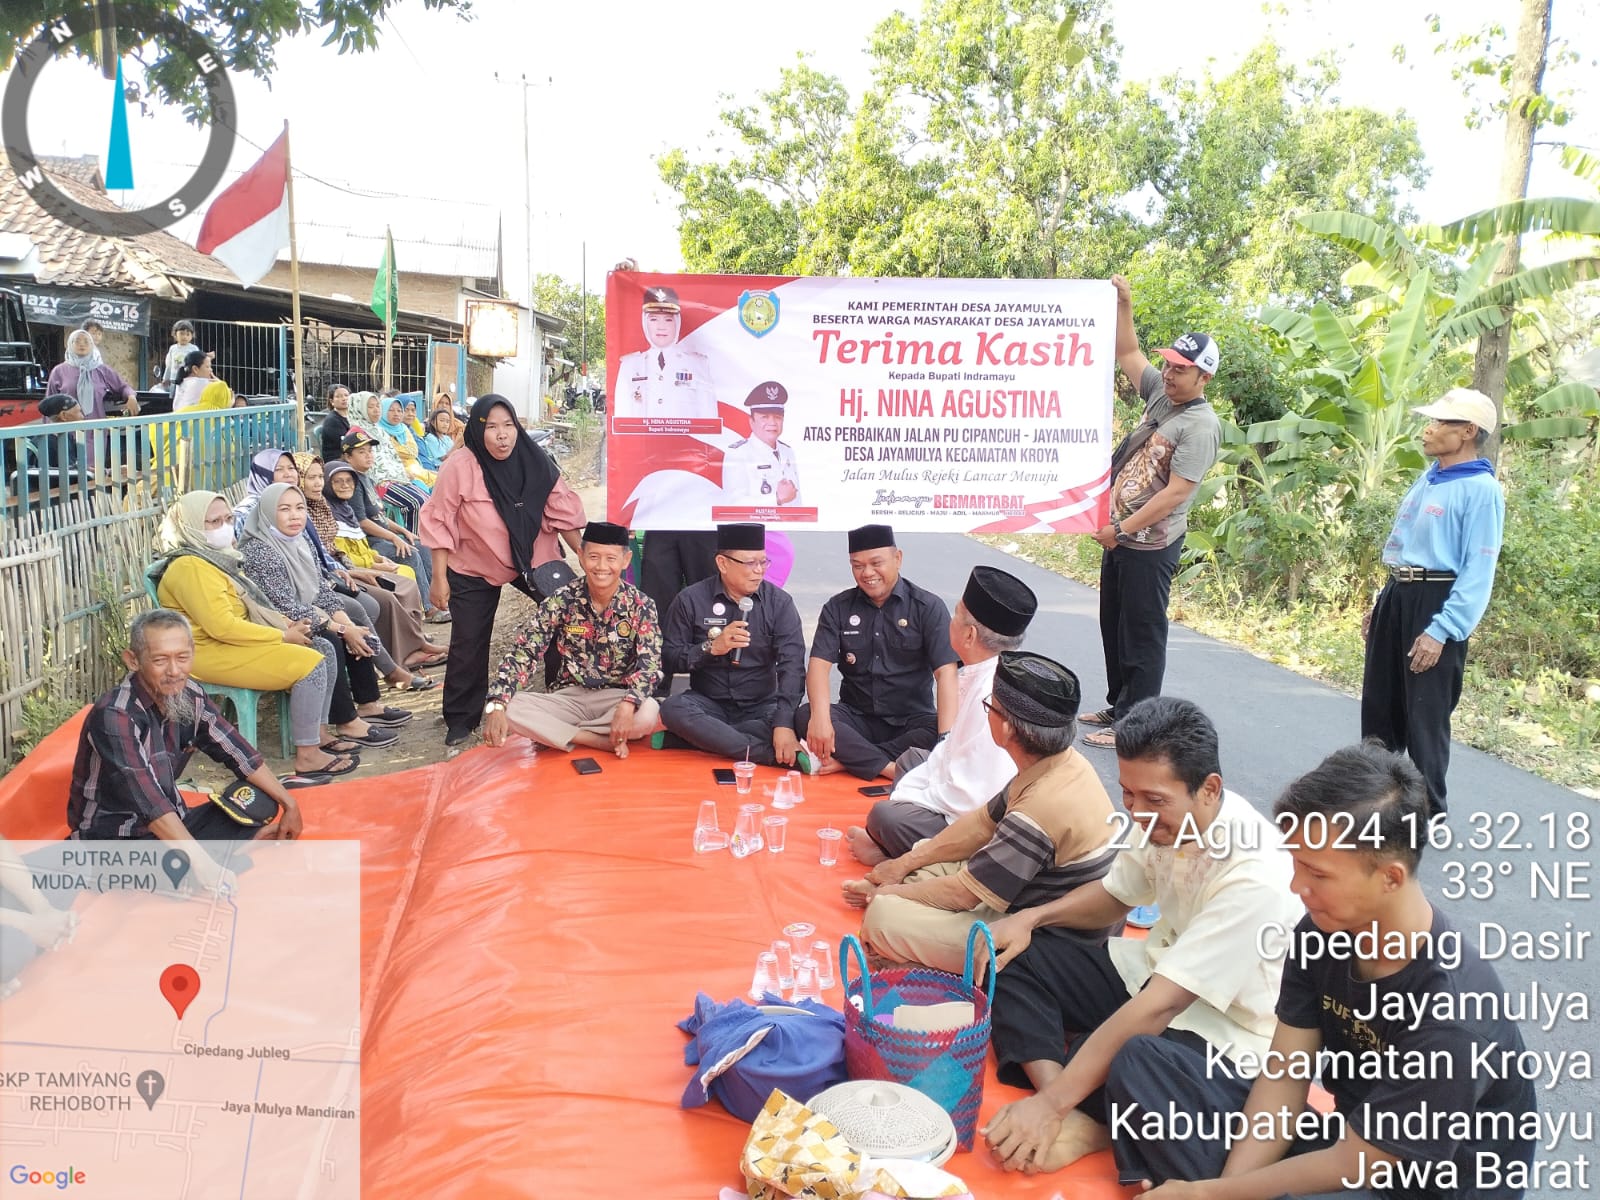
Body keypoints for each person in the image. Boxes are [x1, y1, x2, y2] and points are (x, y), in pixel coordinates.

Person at [1111, 742, 1538, 1199]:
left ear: (1390, 877)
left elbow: (1363, 1161)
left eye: (1317, 873)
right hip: (1347, 1141)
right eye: (1296, 864)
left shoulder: (1453, 1017)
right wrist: (1227, 1190)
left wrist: (1207, 1194)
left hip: (1415, 1186)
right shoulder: (1321, 934)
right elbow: (1285, 1077)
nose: (1297, 887)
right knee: (1144, 1064)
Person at [980, 697, 1301, 1175]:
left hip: (1229, 1028)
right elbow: (1115, 894)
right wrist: (1032, 919)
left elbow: (1162, 1005)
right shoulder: (1159, 819)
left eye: (1154, 800)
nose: (1138, 812)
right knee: (1016, 957)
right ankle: (1072, 1100)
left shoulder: (1255, 873)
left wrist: (1050, 1108)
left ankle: (1070, 1111)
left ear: (1209, 790)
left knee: (1134, 1057)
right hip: (1156, 973)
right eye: (1128, 794)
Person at [845, 652, 1119, 975]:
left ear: (1006, 729)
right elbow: (980, 823)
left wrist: (886, 892)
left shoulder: (1039, 809)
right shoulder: (1059, 762)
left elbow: (963, 893)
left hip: (1047, 938)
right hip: (1021, 896)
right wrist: (899, 866)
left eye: (989, 706)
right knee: (921, 854)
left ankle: (923, 963)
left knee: (883, 917)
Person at [1080, 276, 1221, 751]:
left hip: (1148, 542)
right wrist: (1126, 303)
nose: (1170, 373)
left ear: (1204, 378)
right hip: (1119, 538)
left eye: (1182, 369)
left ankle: (1135, 722)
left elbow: (1176, 493)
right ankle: (1119, 703)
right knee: (1113, 622)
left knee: (1142, 631)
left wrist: (1121, 529)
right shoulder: (1161, 395)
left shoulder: (1200, 426)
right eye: (1170, 364)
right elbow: (1127, 351)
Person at [1360, 388, 1504, 818]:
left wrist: (1442, 629)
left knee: (1425, 713)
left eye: (1441, 423)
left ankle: (1427, 812)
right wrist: (1383, 602)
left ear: (1467, 432)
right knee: (1380, 704)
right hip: (1400, 593)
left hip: (1437, 601)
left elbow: (1477, 570)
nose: (1428, 429)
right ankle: (1377, 803)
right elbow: (1406, 542)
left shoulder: (1481, 490)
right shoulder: (1431, 477)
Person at [153, 491, 365, 776]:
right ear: (190, 525)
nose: (225, 527)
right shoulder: (190, 566)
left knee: (323, 648)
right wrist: (280, 636)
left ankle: (318, 734)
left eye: (228, 519)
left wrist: (283, 625)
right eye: (213, 522)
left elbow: (245, 610)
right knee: (311, 662)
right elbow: (222, 626)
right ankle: (308, 756)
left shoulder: (213, 559)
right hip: (207, 652)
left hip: (233, 643)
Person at [67, 610, 303, 866]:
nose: (174, 671)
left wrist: (290, 804)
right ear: (133, 660)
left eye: (182, 658)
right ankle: (209, 859)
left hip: (174, 824)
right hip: (116, 840)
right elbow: (151, 804)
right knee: (195, 869)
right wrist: (203, 866)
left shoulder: (190, 694)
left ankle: (208, 855)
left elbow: (238, 752)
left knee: (261, 797)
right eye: (160, 660)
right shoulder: (115, 715)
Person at [419, 393, 588, 747]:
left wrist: (584, 555)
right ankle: (461, 717)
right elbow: (440, 521)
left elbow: (561, 511)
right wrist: (438, 578)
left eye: (508, 426)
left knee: (569, 615)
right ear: (478, 431)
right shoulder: (460, 466)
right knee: (469, 639)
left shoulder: (535, 459)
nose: (502, 435)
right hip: (475, 563)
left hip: (534, 555)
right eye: (492, 427)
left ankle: (562, 701)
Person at [850, 564, 1037, 863]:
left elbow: (974, 798)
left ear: (969, 635)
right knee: (912, 758)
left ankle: (905, 858)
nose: (950, 622)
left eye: (956, 615)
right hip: (963, 786)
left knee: (886, 816)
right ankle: (894, 846)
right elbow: (950, 750)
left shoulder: (992, 695)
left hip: (984, 820)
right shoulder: (985, 671)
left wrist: (914, 797)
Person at [237, 482, 413, 746]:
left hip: (305, 614)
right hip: (277, 624)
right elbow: (286, 607)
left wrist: (346, 626)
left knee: (352, 624)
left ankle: (367, 704)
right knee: (332, 640)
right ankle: (346, 721)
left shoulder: (298, 539)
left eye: (299, 508)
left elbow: (321, 590)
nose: (295, 515)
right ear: (268, 512)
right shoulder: (260, 550)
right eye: (284, 509)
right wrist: (341, 630)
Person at [483, 521, 663, 757]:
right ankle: (596, 740)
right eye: (594, 556)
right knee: (510, 708)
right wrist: (497, 702)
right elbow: (525, 651)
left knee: (648, 712)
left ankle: (559, 733)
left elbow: (650, 666)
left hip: (615, 697)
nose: (601, 566)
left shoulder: (641, 605)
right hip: (569, 697)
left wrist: (629, 703)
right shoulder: (562, 599)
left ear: (626, 560)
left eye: (611, 558)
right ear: (580, 555)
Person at [794, 525, 957, 779]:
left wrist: (946, 740)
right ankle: (890, 768)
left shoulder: (927, 607)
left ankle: (852, 761)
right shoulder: (838, 608)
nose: (867, 573)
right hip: (858, 719)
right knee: (807, 714)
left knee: (944, 728)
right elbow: (818, 665)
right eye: (857, 565)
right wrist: (821, 718)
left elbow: (947, 674)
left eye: (876, 563)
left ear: (898, 558)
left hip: (912, 722)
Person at [659, 523, 807, 767]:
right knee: (672, 708)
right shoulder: (691, 600)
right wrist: (709, 648)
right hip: (707, 703)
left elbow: (792, 667)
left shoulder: (779, 603)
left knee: (799, 718)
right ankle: (764, 754)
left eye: (763, 562)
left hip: (761, 707)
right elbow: (668, 657)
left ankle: (706, 739)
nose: (758, 571)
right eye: (749, 563)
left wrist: (782, 724)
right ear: (722, 563)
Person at [295, 452, 445, 685]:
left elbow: (332, 553)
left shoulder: (324, 508)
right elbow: (321, 561)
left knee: (405, 578)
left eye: (319, 477)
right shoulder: (303, 514)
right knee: (380, 599)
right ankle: (398, 662)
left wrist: (367, 563)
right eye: (311, 477)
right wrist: (360, 569)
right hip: (327, 582)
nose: (317, 483)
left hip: (339, 573)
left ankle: (413, 646)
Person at [340, 429, 447, 621]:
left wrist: (403, 531)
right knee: (410, 554)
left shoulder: (367, 478)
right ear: (348, 457)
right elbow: (363, 522)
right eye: (362, 452)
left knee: (422, 546)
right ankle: (428, 609)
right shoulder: (352, 481)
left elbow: (378, 515)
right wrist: (393, 537)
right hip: (371, 542)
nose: (368, 455)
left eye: (370, 451)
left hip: (383, 535)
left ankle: (437, 599)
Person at [613, 285, 717, 420]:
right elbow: (622, 418)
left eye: (668, 320)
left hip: (684, 441)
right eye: (654, 319)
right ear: (645, 322)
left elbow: (708, 419)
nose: (661, 326)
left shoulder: (698, 364)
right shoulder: (629, 365)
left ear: (677, 323)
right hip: (643, 441)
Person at [722, 381, 803, 506]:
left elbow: (797, 502)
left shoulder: (788, 451)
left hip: (789, 525)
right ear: (751, 422)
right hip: (759, 525)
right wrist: (776, 499)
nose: (772, 423)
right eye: (764, 417)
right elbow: (734, 503)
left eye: (777, 417)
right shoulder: (738, 453)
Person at [46, 327, 139, 421]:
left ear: (92, 345)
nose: (82, 344)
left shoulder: (102, 370)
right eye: (77, 341)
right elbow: (48, 405)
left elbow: (123, 387)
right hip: (69, 432)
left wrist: (131, 397)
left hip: (97, 430)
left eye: (86, 341)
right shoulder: (59, 371)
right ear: (70, 344)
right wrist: (51, 432)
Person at [376, 394, 436, 488]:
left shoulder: (403, 428)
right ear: (382, 411)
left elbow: (413, 451)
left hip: (417, 469)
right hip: (398, 475)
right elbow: (390, 452)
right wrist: (404, 449)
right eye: (391, 410)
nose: (396, 414)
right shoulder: (378, 431)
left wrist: (399, 449)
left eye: (399, 410)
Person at [418, 405, 461, 471]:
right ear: (432, 422)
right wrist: (458, 444)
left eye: (447, 421)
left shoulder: (447, 438)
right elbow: (444, 458)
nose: (445, 424)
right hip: (439, 469)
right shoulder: (431, 438)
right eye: (442, 420)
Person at [320, 384, 352, 462]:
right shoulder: (332, 421)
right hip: (338, 459)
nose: (344, 399)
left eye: (346, 395)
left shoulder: (352, 416)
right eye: (339, 396)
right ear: (332, 401)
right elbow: (346, 444)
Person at [161, 319, 196, 389]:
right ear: (175, 334)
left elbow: (198, 363)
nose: (184, 337)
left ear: (192, 336)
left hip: (188, 379)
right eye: (182, 333)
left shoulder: (194, 349)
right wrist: (166, 378)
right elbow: (169, 364)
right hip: (174, 379)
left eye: (188, 334)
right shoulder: (173, 349)